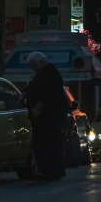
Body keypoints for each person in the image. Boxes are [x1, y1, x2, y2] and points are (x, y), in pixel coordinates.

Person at [24, 52, 68, 181]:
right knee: (46, 144)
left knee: (48, 144)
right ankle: (49, 170)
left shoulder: (50, 74)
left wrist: (37, 109)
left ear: (41, 63)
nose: (33, 68)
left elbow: (47, 94)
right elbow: (34, 87)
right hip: (47, 117)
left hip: (49, 117)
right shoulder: (43, 74)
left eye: (34, 65)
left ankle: (51, 171)